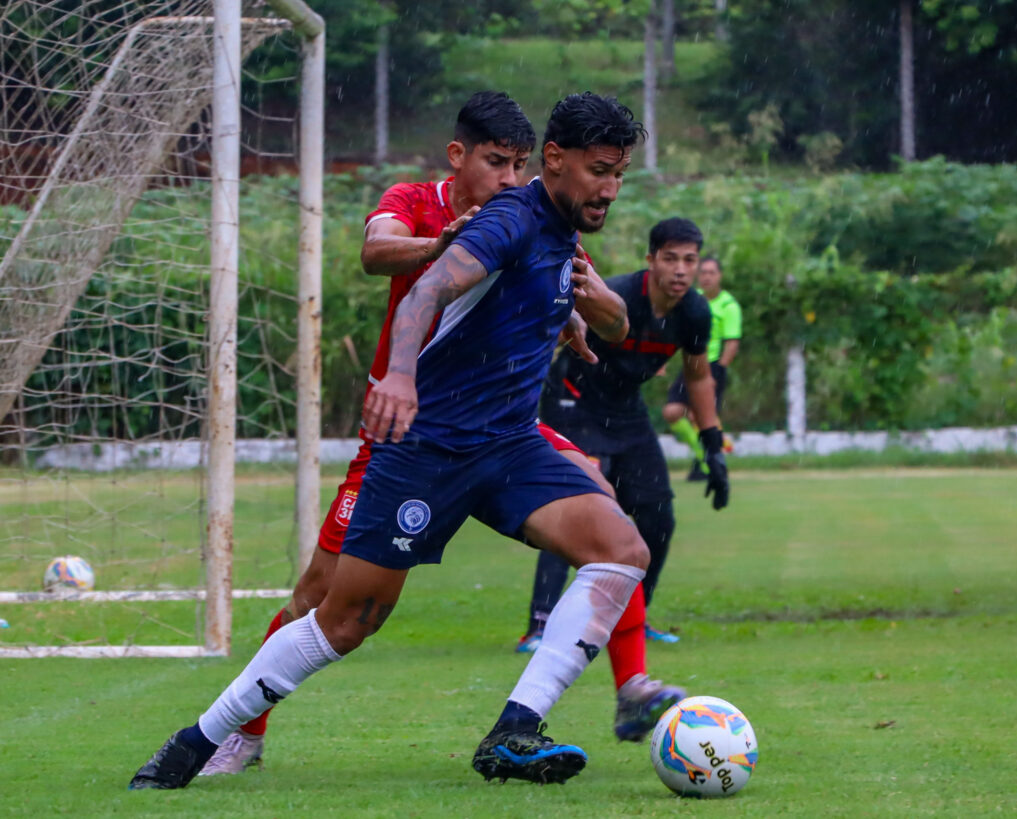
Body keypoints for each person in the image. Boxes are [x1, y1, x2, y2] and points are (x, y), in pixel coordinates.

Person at [129, 92, 657, 791]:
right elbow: (421, 292)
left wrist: (581, 302)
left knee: (622, 549)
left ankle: (515, 729)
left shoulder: (563, 235)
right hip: (426, 446)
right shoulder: (509, 219)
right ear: (555, 163)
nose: (611, 189)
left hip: (507, 445)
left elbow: (619, 325)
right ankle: (200, 738)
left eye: (620, 173)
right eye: (600, 171)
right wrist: (400, 377)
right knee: (345, 618)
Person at [517, 218, 730, 652]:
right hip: (574, 402)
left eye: (689, 260)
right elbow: (551, 339)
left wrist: (712, 446)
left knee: (658, 517)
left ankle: (631, 620)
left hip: (626, 411)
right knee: (579, 514)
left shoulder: (694, 313)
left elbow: (698, 377)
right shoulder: (615, 296)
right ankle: (540, 626)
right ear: (651, 260)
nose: (680, 270)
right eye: (670, 259)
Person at [662, 256, 742, 481]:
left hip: (712, 366)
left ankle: (711, 462)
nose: (706, 277)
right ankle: (704, 454)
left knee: (702, 417)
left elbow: (732, 341)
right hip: (690, 363)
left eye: (711, 272)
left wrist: (718, 371)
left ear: (720, 276)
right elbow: (676, 333)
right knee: (672, 411)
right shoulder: (691, 300)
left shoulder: (729, 305)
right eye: (703, 272)